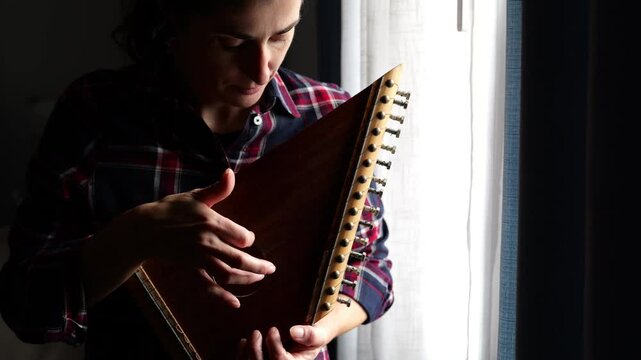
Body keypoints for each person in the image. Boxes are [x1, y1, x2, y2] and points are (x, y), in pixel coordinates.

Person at [0, 0, 394, 359]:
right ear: (172, 23)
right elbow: (28, 310)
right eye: (232, 42)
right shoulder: (96, 114)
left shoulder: (328, 112)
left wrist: (311, 337)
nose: (262, 68)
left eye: (281, 36)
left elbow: (373, 268)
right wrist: (136, 236)